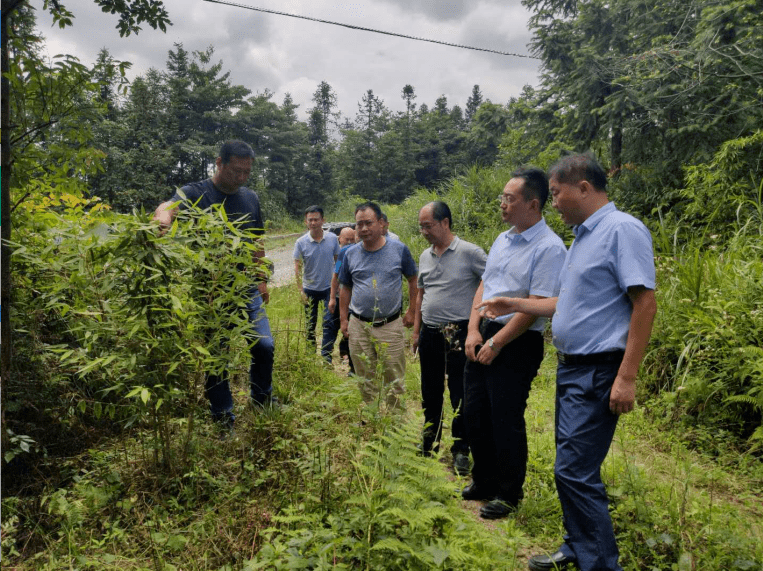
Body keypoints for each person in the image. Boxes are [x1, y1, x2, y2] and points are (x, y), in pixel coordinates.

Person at [477, 154, 657, 571]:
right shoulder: (583, 236)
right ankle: (577, 546)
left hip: (598, 367)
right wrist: (514, 302)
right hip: (572, 366)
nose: (553, 202)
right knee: (567, 465)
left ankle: (598, 563)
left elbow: (644, 302)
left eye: (556, 193)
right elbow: (568, 303)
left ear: (583, 188)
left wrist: (626, 376)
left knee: (574, 470)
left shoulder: (621, 230)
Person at [461, 168, 566, 520]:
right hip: (485, 330)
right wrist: (474, 330)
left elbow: (536, 305)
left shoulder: (549, 248)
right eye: (502, 198)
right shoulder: (503, 238)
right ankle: (484, 480)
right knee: (475, 411)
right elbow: (484, 286)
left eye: (510, 199)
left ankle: (508, 493)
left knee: (504, 417)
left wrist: (498, 343)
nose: (503, 205)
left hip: (517, 342)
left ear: (533, 204)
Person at [153, 140, 277, 429]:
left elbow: (256, 241)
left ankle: (262, 400)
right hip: (211, 290)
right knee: (217, 355)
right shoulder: (197, 193)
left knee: (264, 345)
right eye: (236, 170)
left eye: (247, 172)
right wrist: (162, 218)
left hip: (246, 285)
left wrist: (261, 280)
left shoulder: (250, 198)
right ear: (219, 163)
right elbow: (168, 206)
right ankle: (223, 419)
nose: (242, 177)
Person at [412, 201, 487, 475]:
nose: (423, 231)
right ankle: (429, 440)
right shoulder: (424, 256)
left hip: (459, 332)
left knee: (460, 391)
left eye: (427, 226)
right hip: (431, 331)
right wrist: (417, 330)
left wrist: (477, 324)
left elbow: (489, 281)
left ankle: (461, 449)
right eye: (420, 226)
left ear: (445, 222)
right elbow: (421, 293)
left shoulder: (470, 252)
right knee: (430, 389)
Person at [339, 202, 418, 410]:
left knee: (394, 379)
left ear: (381, 223)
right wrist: (343, 319)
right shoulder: (350, 254)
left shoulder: (399, 250)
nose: (364, 228)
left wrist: (411, 311)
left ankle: (397, 427)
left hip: (390, 325)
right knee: (364, 377)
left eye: (368, 223)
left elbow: (413, 280)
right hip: (359, 325)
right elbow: (345, 287)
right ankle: (372, 419)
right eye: (359, 224)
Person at [293, 206, 340, 362]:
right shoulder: (300, 242)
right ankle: (310, 356)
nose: (313, 222)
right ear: (306, 222)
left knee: (329, 322)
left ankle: (326, 357)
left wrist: (338, 279)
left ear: (323, 220)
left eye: (316, 219)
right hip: (309, 289)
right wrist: (300, 290)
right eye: (310, 220)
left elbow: (338, 260)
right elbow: (297, 268)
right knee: (310, 324)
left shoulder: (333, 238)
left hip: (329, 288)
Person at [329, 226, 358, 374]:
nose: (349, 242)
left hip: (357, 302)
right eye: (346, 239)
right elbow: (335, 274)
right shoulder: (341, 254)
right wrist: (332, 297)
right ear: (340, 239)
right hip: (342, 298)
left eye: (352, 239)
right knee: (334, 326)